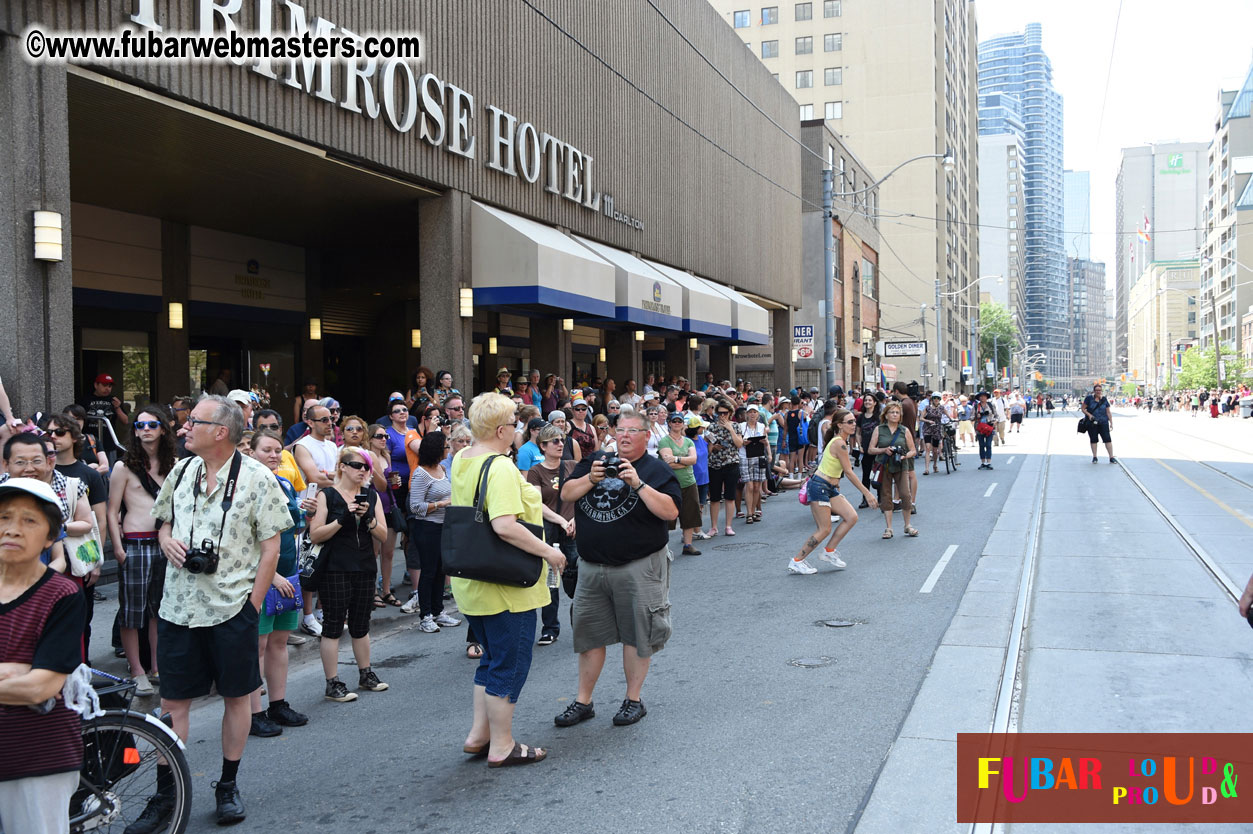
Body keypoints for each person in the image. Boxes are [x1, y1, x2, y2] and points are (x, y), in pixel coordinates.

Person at [150, 394, 292, 824]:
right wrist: (166, 540)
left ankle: (227, 785)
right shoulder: (181, 470)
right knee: (173, 703)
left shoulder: (257, 478)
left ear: (220, 432)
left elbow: (271, 548)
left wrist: (251, 608)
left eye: (193, 421)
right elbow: (163, 521)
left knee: (236, 697)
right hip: (178, 607)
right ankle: (165, 795)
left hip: (232, 609)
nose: (183, 427)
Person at [450, 393, 565, 767]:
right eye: (515, 423)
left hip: (475, 581)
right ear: (501, 430)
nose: (518, 429)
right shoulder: (498, 466)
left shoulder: (463, 458)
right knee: (510, 663)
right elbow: (504, 526)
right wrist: (549, 552)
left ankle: (479, 735)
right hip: (506, 585)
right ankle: (502, 744)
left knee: (491, 659)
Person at [554, 410, 680, 729]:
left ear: (647, 436)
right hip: (592, 566)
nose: (623, 435)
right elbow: (567, 493)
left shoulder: (656, 469)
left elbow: (670, 512)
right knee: (589, 637)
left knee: (638, 636)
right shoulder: (594, 461)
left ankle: (633, 699)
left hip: (639, 566)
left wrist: (637, 483)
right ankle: (583, 701)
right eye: (620, 430)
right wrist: (591, 478)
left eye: (632, 431)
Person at [0, 478, 85, 834]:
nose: (12, 529)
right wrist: (14, 672)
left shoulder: (61, 595)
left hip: (36, 758)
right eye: (4, 517)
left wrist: (32, 678)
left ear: (51, 537)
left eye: (29, 520)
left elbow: (41, 686)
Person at [308, 446, 390, 702]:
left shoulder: (370, 496)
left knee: (361, 624)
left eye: (367, 467)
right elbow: (315, 534)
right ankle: (332, 683)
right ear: (342, 466)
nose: (363, 471)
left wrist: (368, 519)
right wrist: (341, 520)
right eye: (357, 465)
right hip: (335, 568)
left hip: (364, 566)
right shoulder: (327, 495)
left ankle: (366, 673)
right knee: (333, 625)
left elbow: (383, 535)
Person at [106, 406, 175, 699]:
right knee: (132, 612)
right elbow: (112, 511)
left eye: (152, 424)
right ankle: (137, 670)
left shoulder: (174, 465)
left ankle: (157, 667)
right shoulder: (123, 467)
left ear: (163, 429)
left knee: (160, 610)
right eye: (140, 425)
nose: (146, 429)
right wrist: (117, 547)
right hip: (135, 543)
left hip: (165, 544)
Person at [245, 430, 310, 738]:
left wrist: (307, 512)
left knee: (279, 642)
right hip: (260, 576)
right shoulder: (246, 487)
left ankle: (278, 704)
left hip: (287, 572)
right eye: (266, 450)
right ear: (251, 452)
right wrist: (272, 576)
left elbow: (295, 526)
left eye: (278, 450)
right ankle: (253, 713)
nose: (274, 455)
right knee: (256, 645)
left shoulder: (284, 483)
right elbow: (245, 540)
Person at [789, 409, 879, 575]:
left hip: (828, 487)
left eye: (854, 421)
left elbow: (835, 471)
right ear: (839, 425)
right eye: (850, 422)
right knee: (824, 529)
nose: (854, 425)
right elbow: (849, 472)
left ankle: (828, 551)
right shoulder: (840, 444)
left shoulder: (840, 441)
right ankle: (797, 561)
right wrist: (867, 493)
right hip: (819, 487)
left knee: (851, 517)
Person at [403, 432, 462, 632]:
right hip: (427, 528)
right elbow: (415, 507)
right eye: (446, 446)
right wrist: (441, 504)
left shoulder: (442, 469)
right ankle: (425, 616)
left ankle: (438, 611)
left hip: (444, 527)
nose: (448, 450)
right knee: (428, 572)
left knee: (440, 570)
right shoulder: (421, 474)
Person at [526, 424, 579, 646]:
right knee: (552, 580)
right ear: (543, 446)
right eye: (555, 441)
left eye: (562, 440)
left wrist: (575, 518)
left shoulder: (572, 466)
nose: (560, 444)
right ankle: (550, 628)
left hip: (573, 530)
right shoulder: (536, 472)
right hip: (550, 530)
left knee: (577, 578)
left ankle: (582, 624)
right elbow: (537, 504)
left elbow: (583, 493)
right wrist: (561, 520)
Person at [868, 401, 917, 539]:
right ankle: (889, 528)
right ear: (886, 415)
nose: (895, 415)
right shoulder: (879, 429)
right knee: (886, 496)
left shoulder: (904, 430)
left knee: (905, 495)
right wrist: (884, 450)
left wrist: (904, 456)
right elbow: (870, 449)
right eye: (892, 412)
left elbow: (913, 450)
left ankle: (907, 525)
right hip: (884, 466)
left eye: (897, 412)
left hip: (901, 466)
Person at [658, 411, 702, 555]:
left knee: (690, 514)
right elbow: (668, 463)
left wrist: (676, 459)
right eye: (674, 421)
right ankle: (663, 548)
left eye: (679, 421)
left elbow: (693, 460)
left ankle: (688, 545)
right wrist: (685, 462)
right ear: (669, 423)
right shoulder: (664, 441)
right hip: (670, 483)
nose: (677, 423)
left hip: (689, 482)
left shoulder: (688, 441)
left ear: (683, 424)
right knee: (667, 517)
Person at [704, 399, 743, 537]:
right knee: (714, 497)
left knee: (730, 496)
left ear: (730, 413)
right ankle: (714, 527)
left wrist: (730, 429)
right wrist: (713, 447)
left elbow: (739, 444)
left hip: (731, 463)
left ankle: (728, 526)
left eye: (725, 413)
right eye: (719, 413)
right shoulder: (711, 427)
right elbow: (707, 450)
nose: (722, 416)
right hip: (714, 464)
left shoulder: (736, 426)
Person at [738, 406, 770, 524]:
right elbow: (738, 442)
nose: (752, 414)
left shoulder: (761, 426)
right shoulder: (741, 426)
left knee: (757, 486)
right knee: (749, 486)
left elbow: (766, 441)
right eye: (750, 412)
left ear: (758, 414)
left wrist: (769, 453)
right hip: (744, 456)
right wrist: (743, 442)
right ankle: (749, 513)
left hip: (759, 456)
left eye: (754, 412)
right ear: (746, 414)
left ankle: (753, 511)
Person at [854, 396, 881, 509]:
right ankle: (865, 499)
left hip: (877, 449)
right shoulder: (861, 417)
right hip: (865, 449)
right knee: (866, 475)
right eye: (866, 400)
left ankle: (880, 498)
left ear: (875, 403)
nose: (867, 402)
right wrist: (859, 445)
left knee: (878, 474)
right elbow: (858, 433)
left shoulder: (879, 416)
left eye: (870, 400)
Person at [1082, 384, 1116, 464]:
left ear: (1101, 391)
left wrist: (1111, 422)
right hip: (1092, 423)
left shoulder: (1104, 399)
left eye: (1099, 390)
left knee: (1107, 440)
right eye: (1096, 390)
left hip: (1104, 422)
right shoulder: (1089, 398)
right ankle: (1095, 457)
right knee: (1093, 440)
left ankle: (1111, 457)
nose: (1098, 392)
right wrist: (1089, 415)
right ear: (1094, 391)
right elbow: (1083, 409)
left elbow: (1108, 412)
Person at [919, 394, 944, 476]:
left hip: (937, 429)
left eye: (938, 398)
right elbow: (921, 418)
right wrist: (928, 421)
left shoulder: (941, 408)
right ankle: (926, 469)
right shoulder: (927, 408)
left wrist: (953, 419)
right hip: (928, 429)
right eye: (934, 398)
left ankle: (935, 465)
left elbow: (948, 416)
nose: (936, 399)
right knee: (927, 448)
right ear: (932, 399)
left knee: (935, 450)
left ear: (939, 400)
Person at [973, 391, 996, 470]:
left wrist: (995, 422)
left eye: (984, 396)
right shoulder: (976, 406)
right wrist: (977, 416)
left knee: (988, 445)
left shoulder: (991, 405)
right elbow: (971, 417)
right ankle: (983, 462)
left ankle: (989, 462)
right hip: (980, 428)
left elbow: (996, 415)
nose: (982, 398)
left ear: (987, 397)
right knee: (981, 445)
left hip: (989, 427)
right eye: (981, 396)